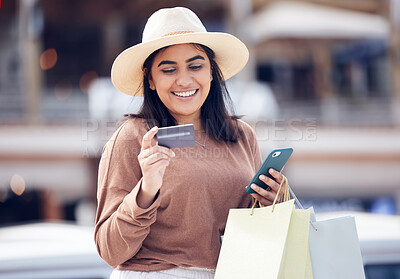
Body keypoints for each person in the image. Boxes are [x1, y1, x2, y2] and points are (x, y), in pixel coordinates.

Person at [94, 7, 285, 279]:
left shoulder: (242, 135)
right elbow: (110, 250)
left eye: (195, 66)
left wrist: (272, 203)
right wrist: (147, 189)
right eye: (168, 69)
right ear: (150, 78)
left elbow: (254, 231)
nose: (184, 80)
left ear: (211, 72)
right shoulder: (132, 137)